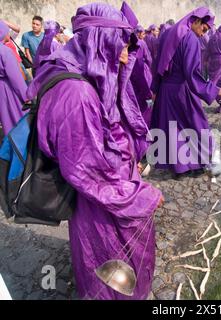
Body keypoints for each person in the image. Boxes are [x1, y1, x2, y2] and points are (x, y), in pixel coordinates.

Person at [26, 2, 163, 300]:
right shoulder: (77, 93)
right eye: (120, 44)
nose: (126, 55)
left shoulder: (85, 74)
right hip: (102, 203)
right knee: (113, 271)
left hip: (109, 189)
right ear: (100, 41)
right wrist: (142, 197)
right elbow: (84, 170)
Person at [150, 7, 221, 178]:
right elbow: (192, 74)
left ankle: (180, 167)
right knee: (197, 125)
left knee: (174, 129)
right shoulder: (190, 38)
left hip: (165, 90)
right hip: (181, 89)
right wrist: (215, 90)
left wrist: (155, 88)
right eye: (204, 28)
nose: (203, 34)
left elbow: (157, 64)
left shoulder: (166, 33)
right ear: (196, 21)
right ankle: (201, 162)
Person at [0, 20, 27, 136]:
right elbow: (15, 78)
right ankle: (17, 151)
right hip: (8, 89)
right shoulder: (5, 51)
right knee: (16, 120)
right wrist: (27, 96)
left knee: (5, 120)